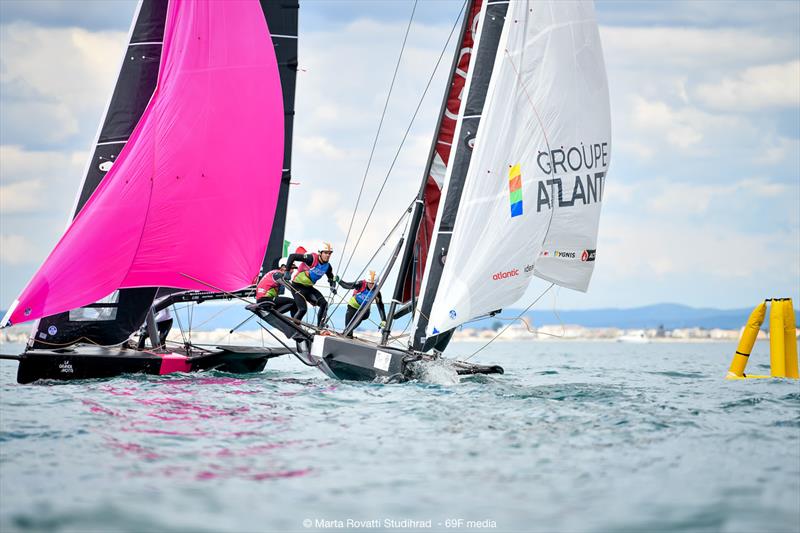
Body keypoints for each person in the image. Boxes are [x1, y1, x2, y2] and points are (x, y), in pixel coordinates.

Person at [285, 243, 337, 327]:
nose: (328, 255)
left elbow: (331, 277)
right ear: (320, 253)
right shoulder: (311, 258)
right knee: (302, 309)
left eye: (329, 253)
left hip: (309, 288)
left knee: (324, 304)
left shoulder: (327, 266)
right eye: (325, 253)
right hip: (297, 286)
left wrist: (332, 286)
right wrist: (287, 271)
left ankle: (320, 326)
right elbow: (292, 256)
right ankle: (294, 327)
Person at [339, 270, 386, 338]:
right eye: (370, 283)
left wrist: (383, 320)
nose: (371, 285)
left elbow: (380, 306)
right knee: (348, 330)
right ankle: (348, 335)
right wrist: (339, 281)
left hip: (364, 310)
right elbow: (348, 286)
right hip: (353, 306)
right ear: (366, 281)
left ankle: (347, 332)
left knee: (357, 318)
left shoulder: (377, 292)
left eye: (373, 283)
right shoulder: (361, 284)